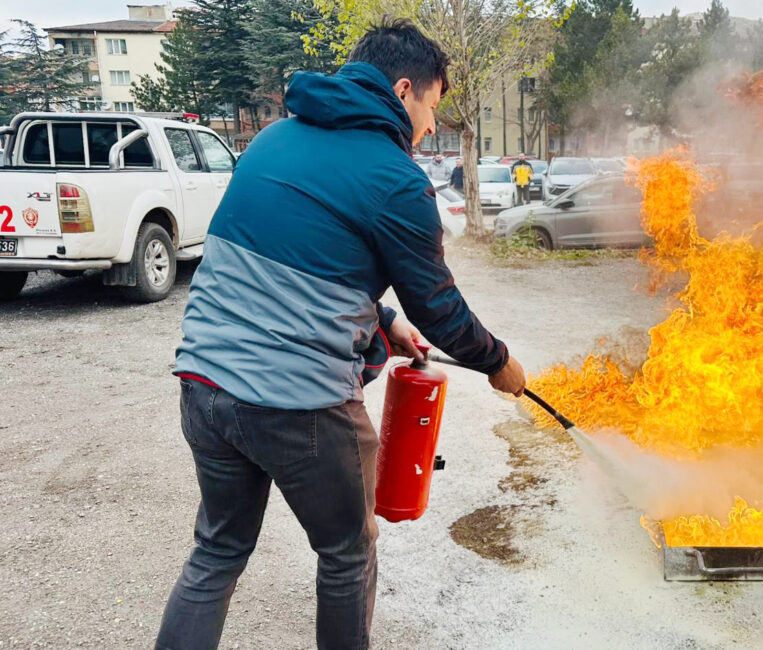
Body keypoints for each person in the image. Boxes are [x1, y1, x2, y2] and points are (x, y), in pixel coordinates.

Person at [156, 17, 525, 650]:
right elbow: (439, 307)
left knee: (217, 552)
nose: (434, 124)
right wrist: (498, 361)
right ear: (404, 89)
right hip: (299, 404)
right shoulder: (397, 179)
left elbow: (277, 260)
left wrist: (384, 322)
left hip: (203, 383)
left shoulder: (272, 141)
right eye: (434, 106)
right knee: (348, 553)